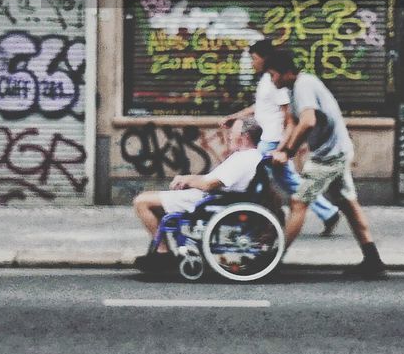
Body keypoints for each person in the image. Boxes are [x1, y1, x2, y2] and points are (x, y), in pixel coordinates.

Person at [265, 47, 387, 280]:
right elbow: (292, 123)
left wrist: (289, 152)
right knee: (349, 205)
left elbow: (308, 121)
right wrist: (279, 150)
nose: (271, 80)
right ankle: (373, 260)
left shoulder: (303, 85)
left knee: (298, 202)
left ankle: (273, 261)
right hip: (336, 151)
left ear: (286, 72)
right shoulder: (294, 89)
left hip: (329, 156)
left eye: (273, 74)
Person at [221, 38, 340, 236]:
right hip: (268, 138)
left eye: (255, 58)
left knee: (253, 177)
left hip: (273, 140)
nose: (253, 63)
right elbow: (260, 107)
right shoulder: (267, 80)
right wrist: (235, 117)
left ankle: (255, 222)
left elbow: (288, 116)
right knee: (287, 180)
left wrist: (284, 147)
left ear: (265, 59)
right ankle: (327, 213)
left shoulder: (275, 81)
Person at [131, 143, 265, 272]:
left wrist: (187, 181)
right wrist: (188, 178)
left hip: (206, 199)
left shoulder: (244, 159)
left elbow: (209, 184)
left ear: (244, 136)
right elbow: (210, 179)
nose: (229, 136)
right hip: (207, 196)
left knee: (141, 202)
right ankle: (162, 248)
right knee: (148, 198)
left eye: (232, 133)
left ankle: (163, 252)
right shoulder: (246, 156)